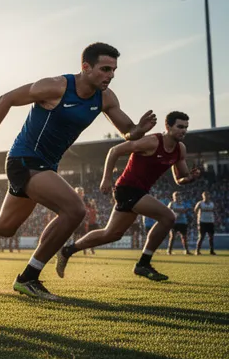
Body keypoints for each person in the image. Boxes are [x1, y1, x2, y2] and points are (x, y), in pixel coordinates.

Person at [0, 42, 157, 300]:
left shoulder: (106, 98)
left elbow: (128, 131)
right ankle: (29, 277)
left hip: (45, 166)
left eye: (114, 70)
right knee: (74, 209)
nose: (111, 75)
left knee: (4, 226)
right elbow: (6, 99)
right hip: (24, 159)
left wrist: (139, 129)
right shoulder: (55, 87)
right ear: (85, 67)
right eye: (105, 69)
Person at [54, 111, 200, 280]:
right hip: (127, 188)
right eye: (180, 127)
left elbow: (179, 179)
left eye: (186, 128)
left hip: (140, 192)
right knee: (168, 217)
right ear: (168, 126)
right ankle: (143, 264)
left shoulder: (180, 149)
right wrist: (106, 179)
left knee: (111, 234)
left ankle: (67, 250)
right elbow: (114, 150)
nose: (184, 131)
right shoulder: (152, 142)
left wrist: (190, 178)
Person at [195, 191, 217, 255]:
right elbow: (195, 210)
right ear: (203, 196)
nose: (206, 196)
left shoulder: (212, 203)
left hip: (210, 222)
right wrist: (198, 218)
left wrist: (215, 219)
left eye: (207, 195)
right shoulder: (200, 203)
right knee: (201, 237)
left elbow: (215, 211)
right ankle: (197, 251)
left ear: (209, 196)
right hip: (202, 222)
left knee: (211, 237)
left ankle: (211, 251)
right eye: (205, 195)